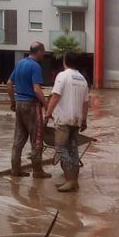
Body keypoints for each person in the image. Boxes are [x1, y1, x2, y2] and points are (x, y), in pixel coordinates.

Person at [45, 51, 88, 193]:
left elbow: (56, 96)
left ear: (65, 61)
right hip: (76, 120)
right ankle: (73, 181)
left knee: (61, 148)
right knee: (73, 149)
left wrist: (48, 113)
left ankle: (71, 180)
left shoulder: (62, 76)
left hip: (63, 120)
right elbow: (85, 103)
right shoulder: (82, 79)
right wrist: (84, 120)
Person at [7, 42, 49, 178]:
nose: (44, 54)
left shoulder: (20, 63)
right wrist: (47, 105)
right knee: (36, 138)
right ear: (38, 51)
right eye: (43, 51)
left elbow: (9, 83)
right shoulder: (35, 66)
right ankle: (37, 171)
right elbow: (37, 89)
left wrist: (13, 102)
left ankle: (15, 170)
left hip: (19, 104)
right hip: (31, 105)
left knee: (18, 139)